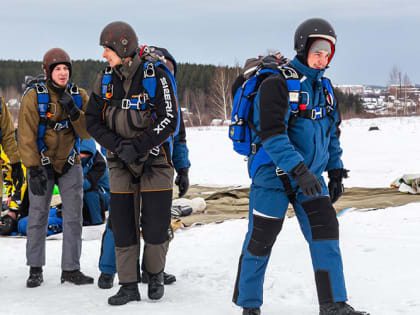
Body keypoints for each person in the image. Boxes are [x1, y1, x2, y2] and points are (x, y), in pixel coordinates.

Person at [232, 18, 369, 315]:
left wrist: (335, 170)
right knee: (261, 240)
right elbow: (272, 135)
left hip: (310, 177)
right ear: (303, 48)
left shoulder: (325, 88)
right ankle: (249, 305)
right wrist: (299, 171)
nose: (323, 60)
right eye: (317, 52)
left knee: (326, 232)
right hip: (273, 176)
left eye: (327, 54)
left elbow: (331, 132)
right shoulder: (277, 83)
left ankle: (333, 304)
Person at [85, 22, 179, 305]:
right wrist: (118, 146)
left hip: (155, 162)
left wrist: (138, 146)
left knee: (156, 225)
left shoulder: (156, 75)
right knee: (123, 226)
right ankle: (127, 285)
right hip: (119, 164)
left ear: (122, 48)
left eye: (107, 49)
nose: (104, 56)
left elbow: (170, 119)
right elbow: (92, 119)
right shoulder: (103, 80)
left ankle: (154, 274)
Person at [18, 48, 94, 288]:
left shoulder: (79, 95)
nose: (63, 73)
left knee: (74, 217)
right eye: (57, 69)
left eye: (66, 69)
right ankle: (35, 268)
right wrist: (33, 168)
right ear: (48, 71)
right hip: (41, 164)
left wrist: (74, 111)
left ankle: (71, 269)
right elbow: (25, 135)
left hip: (70, 163)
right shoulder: (34, 96)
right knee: (38, 215)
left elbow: (88, 132)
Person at [97, 110, 190, 290]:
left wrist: (183, 168)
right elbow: (106, 133)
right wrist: (120, 152)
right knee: (119, 219)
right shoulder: (124, 88)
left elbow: (178, 138)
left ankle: (153, 270)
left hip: (158, 165)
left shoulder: (170, 100)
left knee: (157, 220)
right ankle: (108, 270)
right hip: (124, 163)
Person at [79, 138, 110, 226]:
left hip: (104, 195)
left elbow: (88, 184)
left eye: (85, 153)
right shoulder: (73, 160)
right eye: (80, 152)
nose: (81, 156)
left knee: (90, 191)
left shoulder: (99, 163)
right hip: (82, 192)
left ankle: (96, 222)